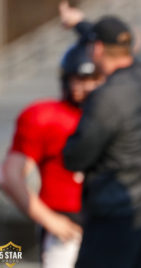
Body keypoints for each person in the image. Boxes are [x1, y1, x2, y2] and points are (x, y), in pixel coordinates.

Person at [62, 15, 141, 268]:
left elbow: (76, 156)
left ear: (97, 49)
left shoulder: (105, 96)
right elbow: (118, 48)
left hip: (113, 217)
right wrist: (80, 25)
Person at [0, 42, 102, 268]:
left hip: (109, 223)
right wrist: (49, 219)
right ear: (66, 79)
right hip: (66, 224)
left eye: (95, 80)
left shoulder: (115, 117)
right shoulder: (44, 116)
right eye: (80, 79)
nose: (88, 87)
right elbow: (9, 176)